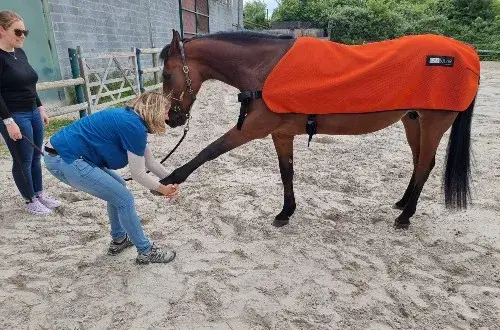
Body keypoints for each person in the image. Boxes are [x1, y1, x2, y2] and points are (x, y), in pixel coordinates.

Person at [43, 92, 179, 264]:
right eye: (165, 111)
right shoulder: (134, 127)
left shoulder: (132, 119)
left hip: (63, 155)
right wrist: (163, 189)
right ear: (155, 110)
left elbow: (149, 162)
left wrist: (172, 179)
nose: (167, 117)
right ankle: (146, 251)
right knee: (124, 199)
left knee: (119, 186)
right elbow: (138, 174)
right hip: (65, 159)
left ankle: (119, 239)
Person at [0, 10, 61, 215]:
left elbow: (30, 85)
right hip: (14, 115)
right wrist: (9, 121)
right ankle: (29, 199)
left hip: (32, 111)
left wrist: (40, 107)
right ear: (1, 30)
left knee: (36, 156)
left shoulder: (20, 53)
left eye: (25, 31)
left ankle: (39, 193)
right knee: (23, 159)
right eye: (18, 31)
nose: (23, 35)